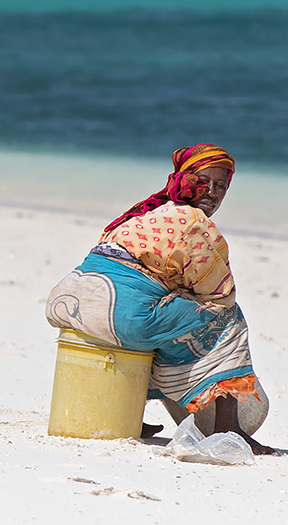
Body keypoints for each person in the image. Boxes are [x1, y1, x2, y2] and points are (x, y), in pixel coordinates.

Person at [45, 143, 275, 454]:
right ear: (183, 179)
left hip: (72, 300)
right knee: (226, 318)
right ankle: (228, 428)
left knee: (163, 310)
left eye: (221, 185)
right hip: (122, 314)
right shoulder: (196, 224)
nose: (212, 192)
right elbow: (218, 293)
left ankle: (128, 413)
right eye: (203, 181)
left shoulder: (147, 212)